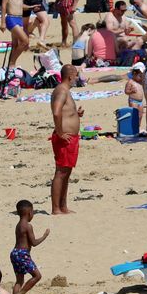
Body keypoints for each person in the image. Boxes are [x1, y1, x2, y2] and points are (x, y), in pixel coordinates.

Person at [50, 65, 83, 215]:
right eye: (76, 75)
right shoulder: (62, 91)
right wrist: (60, 132)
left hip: (70, 137)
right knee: (61, 172)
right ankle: (56, 208)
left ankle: (63, 206)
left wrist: (76, 114)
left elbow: (64, 112)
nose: (77, 78)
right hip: (65, 138)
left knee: (66, 172)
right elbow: (56, 112)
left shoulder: (65, 91)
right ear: (70, 77)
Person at [10, 200, 50, 294]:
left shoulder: (18, 225)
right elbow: (34, 243)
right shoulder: (28, 226)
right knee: (37, 276)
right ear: (30, 213)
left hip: (15, 253)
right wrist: (45, 236)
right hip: (23, 254)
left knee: (19, 281)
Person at [1, 0, 31, 85]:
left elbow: (19, 4)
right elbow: (4, 5)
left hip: (19, 18)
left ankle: (9, 69)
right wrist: (2, 22)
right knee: (25, 41)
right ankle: (12, 64)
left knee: (15, 45)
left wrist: (31, 7)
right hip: (11, 18)